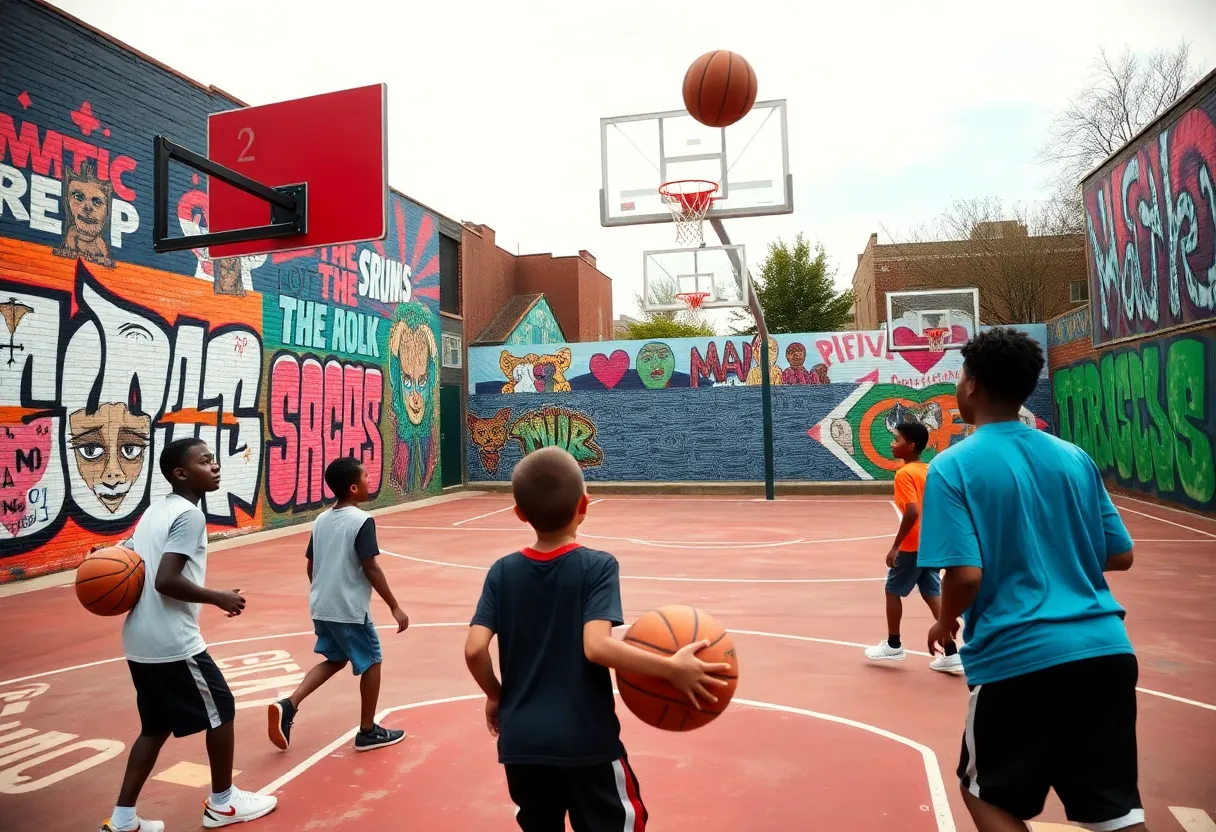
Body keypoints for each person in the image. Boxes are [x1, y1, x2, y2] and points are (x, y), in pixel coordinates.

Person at [918, 327, 1144, 832]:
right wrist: (1052, 553)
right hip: (1106, 650)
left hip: (1019, 658)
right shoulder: (1072, 457)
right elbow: (1120, 554)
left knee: (988, 796)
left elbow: (967, 573)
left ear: (971, 385)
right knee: (1117, 814)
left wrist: (945, 620)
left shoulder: (951, 467)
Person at [463, 447, 730, 831]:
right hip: (585, 740)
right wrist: (672, 668)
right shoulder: (596, 566)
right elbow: (597, 646)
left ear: (520, 513)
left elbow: (474, 649)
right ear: (584, 504)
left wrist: (495, 695)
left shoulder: (501, 571)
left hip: (521, 744)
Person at [101, 438, 277, 832]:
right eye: (205, 461)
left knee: (155, 726)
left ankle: (123, 819)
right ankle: (223, 803)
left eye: (214, 460)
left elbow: (125, 557)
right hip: (171, 640)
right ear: (181, 473)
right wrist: (217, 597)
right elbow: (165, 580)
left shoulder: (153, 512)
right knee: (222, 710)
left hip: (139, 639)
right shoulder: (189, 516)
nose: (215, 466)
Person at [268, 456, 410, 753]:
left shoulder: (321, 519)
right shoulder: (361, 521)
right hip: (348, 608)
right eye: (367, 477)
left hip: (322, 604)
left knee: (336, 659)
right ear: (354, 488)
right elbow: (370, 567)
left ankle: (289, 705)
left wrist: (322, 590)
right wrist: (394, 606)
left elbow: (311, 562)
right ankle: (368, 731)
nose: (371, 480)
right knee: (372, 660)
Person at [864, 421, 962, 673]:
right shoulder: (929, 469)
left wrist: (895, 545)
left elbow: (912, 511)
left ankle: (894, 643)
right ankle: (951, 652)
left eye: (896, 439)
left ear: (910, 446)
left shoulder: (904, 474)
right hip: (930, 543)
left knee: (892, 590)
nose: (891, 443)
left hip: (912, 544)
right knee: (931, 591)